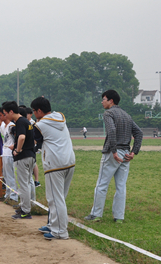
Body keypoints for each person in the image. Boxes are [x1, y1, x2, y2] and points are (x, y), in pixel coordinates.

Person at [85, 90, 143, 223]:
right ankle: (119, 217)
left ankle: (96, 214)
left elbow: (111, 130)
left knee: (102, 184)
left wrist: (114, 151)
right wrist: (134, 151)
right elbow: (139, 133)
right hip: (126, 153)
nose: (102, 101)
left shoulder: (108, 113)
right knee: (121, 186)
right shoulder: (126, 115)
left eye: (104, 99)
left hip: (113, 153)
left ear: (111, 101)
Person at [30, 97, 76, 240]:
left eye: (33, 111)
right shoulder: (60, 117)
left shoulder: (41, 124)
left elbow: (34, 134)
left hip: (55, 165)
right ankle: (53, 225)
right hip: (69, 161)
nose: (33, 114)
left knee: (55, 199)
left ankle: (60, 232)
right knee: (59, 198)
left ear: (39, 111)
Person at [3, 101, 36, 220]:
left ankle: (26, 211)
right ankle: (25, 207)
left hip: (23, 157)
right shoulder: (25, 121)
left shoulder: (20, 122)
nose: (5, 116)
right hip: (30, 156)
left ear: (11, 112)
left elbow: (22, 137)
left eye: (6, 113)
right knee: (26, 183)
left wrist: (17, 150)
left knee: (23, 185)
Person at [0, 107, 18, 203]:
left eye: (1, 115)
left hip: (10, 154)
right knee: (6, 175)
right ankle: (8, 192)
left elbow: (17, 139)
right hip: (4, 152)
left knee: (11, 175)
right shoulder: (2, 126)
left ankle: (14, 195)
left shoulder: (12, 126)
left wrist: (14, 146)